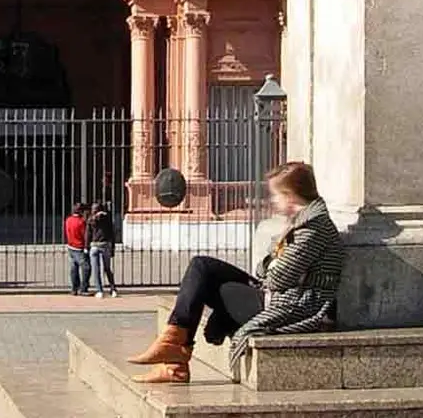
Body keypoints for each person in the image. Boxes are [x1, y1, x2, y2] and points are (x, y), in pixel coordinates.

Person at [127, 162, 341, 385]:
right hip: (277, 296)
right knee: (202, 266)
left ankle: (175, 357)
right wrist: (273, 264)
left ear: (291, 196)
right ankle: (174, 352)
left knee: (207, 279)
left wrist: (273, 264)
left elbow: (279, 278)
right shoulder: (301, 224)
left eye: (276, 195)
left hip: (291, 307)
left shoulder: (311, 229)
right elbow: (266, 268)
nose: (273, 201)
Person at [87, 200, 119, 298]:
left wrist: (86, 247)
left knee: (96, 269)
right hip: (106, 244)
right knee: (107, 268)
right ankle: (113, 288)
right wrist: (113, 247)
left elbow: (88, 234)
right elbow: (112, 234)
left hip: (95, 245)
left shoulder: (91, 219)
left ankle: (99, 290)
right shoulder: (107, 218)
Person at [64, 202, 91, 296]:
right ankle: (83, 288)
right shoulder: (81, 222)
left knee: (74, 268)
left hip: (71, 246)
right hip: (79, 247)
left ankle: (74, 288)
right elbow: (85, 235)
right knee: (86, 268)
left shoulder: (68, 220)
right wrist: (86, 247)